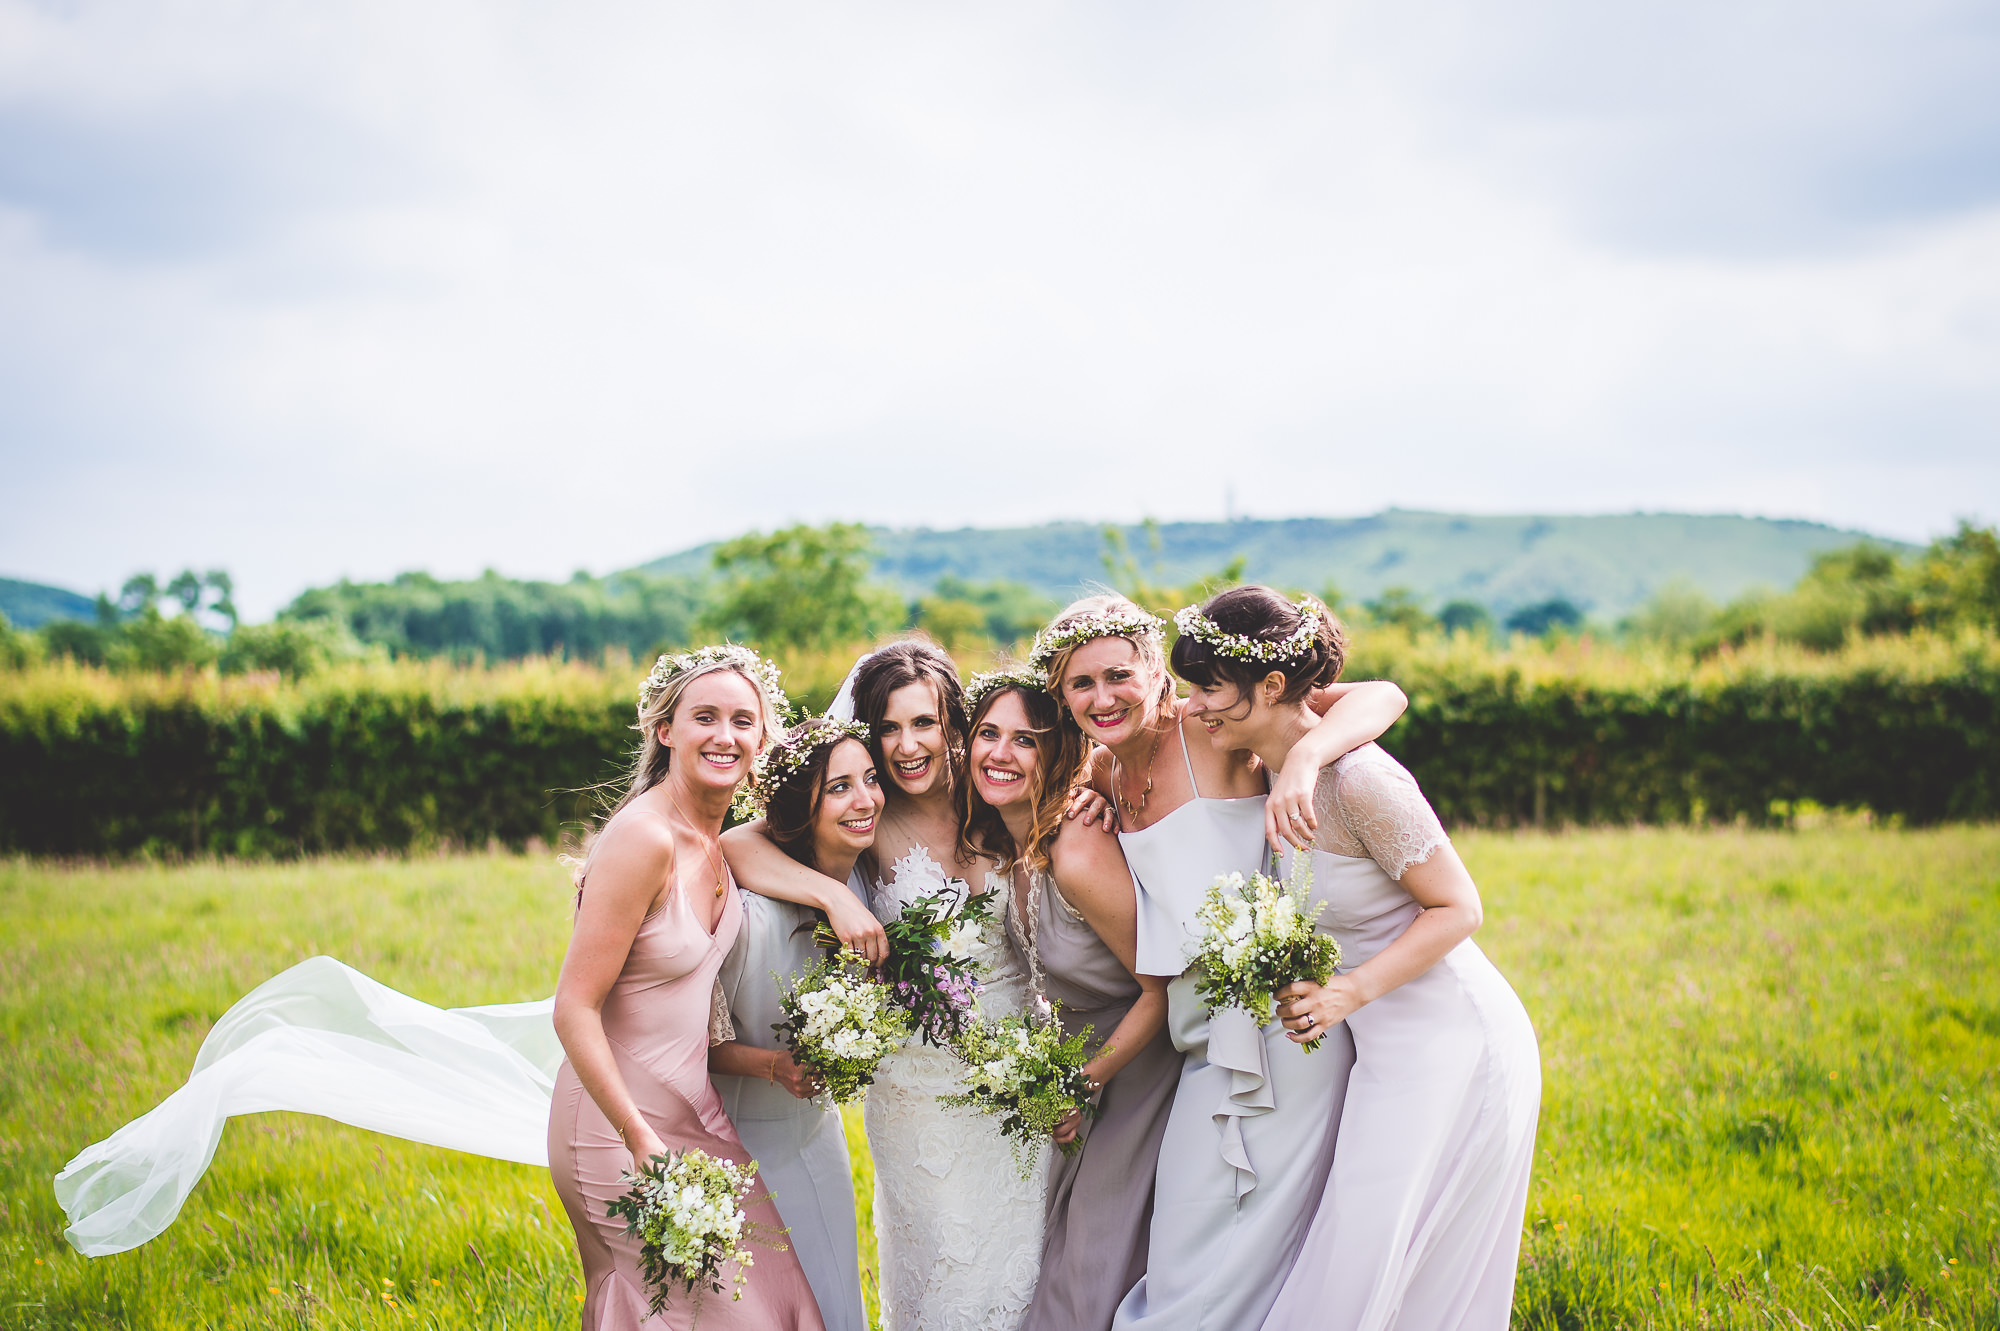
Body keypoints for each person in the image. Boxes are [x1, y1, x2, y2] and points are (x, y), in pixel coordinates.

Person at [1029, 595, 1407, 1331]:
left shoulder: (1210, 727)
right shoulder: (1103, 779)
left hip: (1278, 1031)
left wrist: (1304, 755)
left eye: (1119, 675)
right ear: (1061, 693)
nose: (1101, 697)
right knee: (1191, 1247)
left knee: (1217, 1263)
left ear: (1155, 674)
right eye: (1080, 683)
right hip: (1199, 1036)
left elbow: (1381, 694)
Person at [1171, 587, 1540, 1331]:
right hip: (1383, 1043)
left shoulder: (1364, 780)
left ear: (1271, 686)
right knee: (1358, 1241)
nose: (1195, 705)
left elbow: (1461, 908)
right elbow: (1375, 693)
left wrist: (1347, 991)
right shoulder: (1278, 752)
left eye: (1208, 685)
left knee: (1374, 1244)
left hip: (1449, 1034)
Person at [722, 638, 1053, 1331]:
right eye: (889, 728)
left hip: (1019, 1084)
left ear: (954, 726)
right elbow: (737, 844)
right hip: (917, 1096)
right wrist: (836, 896)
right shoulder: (866, 814)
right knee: (947, 1281)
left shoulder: (993, 795)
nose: (906, 745)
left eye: (924, 723)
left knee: (1028, 1271)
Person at [549, 645, 824, 1330]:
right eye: (705, 716)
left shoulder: (717, 839)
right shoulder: (643, 838)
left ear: (762, 739)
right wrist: (640, 1138)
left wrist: (768, 1063)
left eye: (742, 720)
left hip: (697, 1115)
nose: (724, 735)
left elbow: (690, 1015)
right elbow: (573, 1008)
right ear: (664, 729)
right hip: (617, 1124)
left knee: (787, 1308)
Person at [958, 666, 1181, 1331]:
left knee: (1093, 1274)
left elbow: (1162, 989)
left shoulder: (1078, 850)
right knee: (1068, 1266)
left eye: (1024, 740)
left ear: (1055, 751)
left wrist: (1082, 1084)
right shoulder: (1010, 842)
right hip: (1087, 1080)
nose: (1000, 753)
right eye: (988, 733)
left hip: (1137, 1077)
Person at [709, 717, 881, 1331]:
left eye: (870, 779)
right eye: (838, 787)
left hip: (815, 1136)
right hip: (733, 1139)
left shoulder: (871, 876)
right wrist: (771, 1065)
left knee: (834, 1304)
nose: (864, 801)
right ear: (799, 808)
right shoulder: (747, 911)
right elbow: (688, 1043)